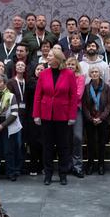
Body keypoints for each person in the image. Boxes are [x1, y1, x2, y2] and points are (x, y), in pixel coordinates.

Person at [33, 49, 78, 185]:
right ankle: (48, 173)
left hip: (63, 116)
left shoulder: (69, 74)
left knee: (63, 146)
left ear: (58, 58)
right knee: (47, 146)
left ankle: (63, 173)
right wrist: (36, 114)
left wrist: (72, 116)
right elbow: (38, 95)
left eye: (50, 56)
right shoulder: (44, 74)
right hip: (46, 115)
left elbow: (73, 97)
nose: (48, 57)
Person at [82, 67, 110, 175]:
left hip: (102, 119)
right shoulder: (86, 87)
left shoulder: (106, 87)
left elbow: (108, 105)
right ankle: (90, 164)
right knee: (90, 143)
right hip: (90, 119)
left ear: (100, 74)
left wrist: (101, 118)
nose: (94, 74)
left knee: (101, 143)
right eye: (92, 72)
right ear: (90, 74)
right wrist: (91, 118)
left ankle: (101, 165)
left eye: (96, 72)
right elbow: (84, 105)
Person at [65, 57, 86, 177]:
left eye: (73, 64)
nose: (70, 66)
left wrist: (66, 97)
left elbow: (78, 95)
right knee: (66, 139)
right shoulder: (63, 76)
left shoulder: (80, 77)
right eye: (68, 64)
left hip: (76, 110)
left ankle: (77, 166)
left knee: (77, 137)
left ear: (77, 66)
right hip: (63, 111)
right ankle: (68, 165)